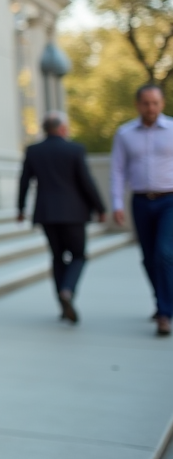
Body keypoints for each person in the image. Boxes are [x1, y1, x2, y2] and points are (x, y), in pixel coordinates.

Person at [16, 111, 106, 323]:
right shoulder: (74, 149)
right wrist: (100, 208)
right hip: (74, 213)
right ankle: (68, 290)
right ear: (63, 128)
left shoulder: (33, 151)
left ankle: (61, 302)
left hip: (47, 213)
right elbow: (86, 182)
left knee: (57, 257)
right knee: (78, 255)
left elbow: (24, 182)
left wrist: (20, 209)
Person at [110, 84, 173, 337]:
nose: (151, 108)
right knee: (148, 258)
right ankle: (163, 299)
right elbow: (117, 170)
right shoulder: (125, 134)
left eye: (155, 103)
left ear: (162, 104)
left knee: (164, 253)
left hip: (170, 200)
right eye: (146, 103)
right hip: (141, 202)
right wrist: (116, 203)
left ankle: (164, 312)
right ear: (138, 105)